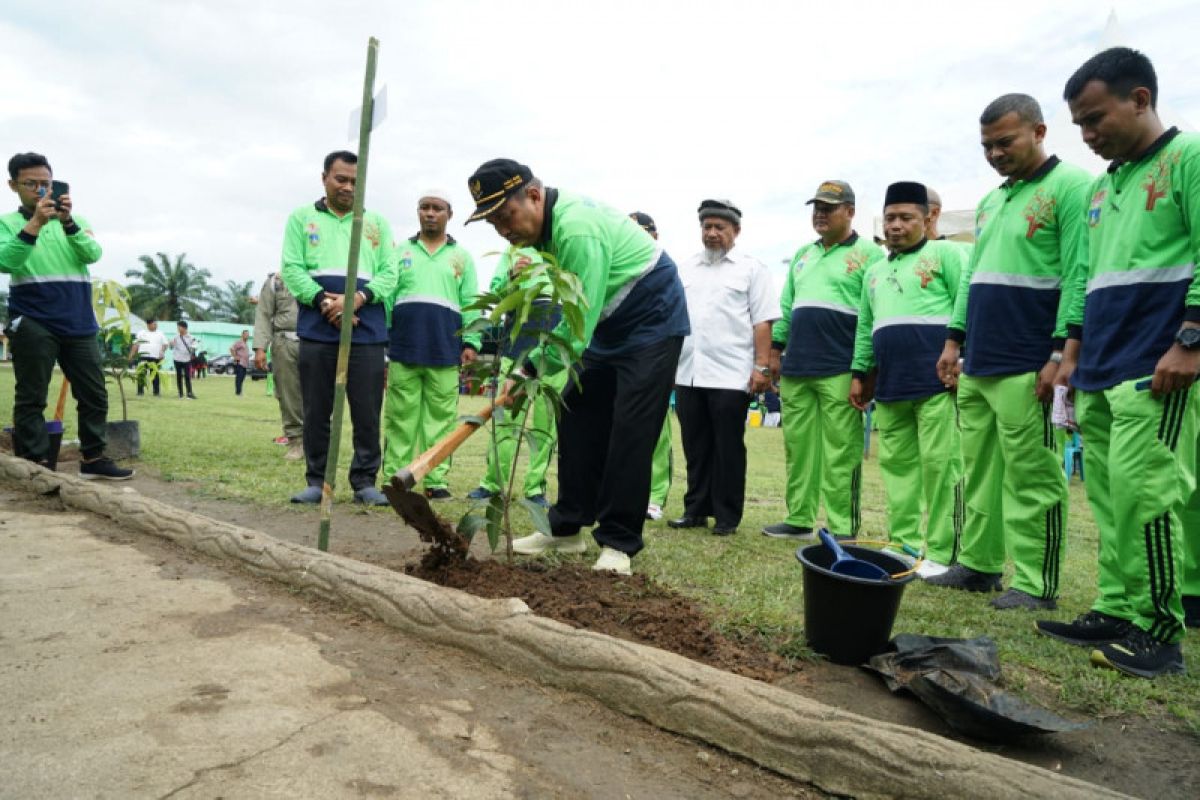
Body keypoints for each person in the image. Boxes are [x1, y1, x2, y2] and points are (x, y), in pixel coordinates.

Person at [1037, 47, 1200, 678]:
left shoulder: (1188, 159)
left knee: (1147, 492)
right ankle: (1115, 607)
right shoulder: (1103, 188)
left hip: (1157, 361)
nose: (1088, 135)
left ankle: (1161, 629)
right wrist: (1070, 355)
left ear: (1140, 99)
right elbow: (1084, 277)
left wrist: (1190, 339)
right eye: (1079, 123)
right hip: (1100, 363)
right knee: (1107, 496)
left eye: (1096, 118)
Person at [465, 158, 690, 575]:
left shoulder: (576, 228)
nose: (502, 230)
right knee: (579, 414)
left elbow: (574, 327)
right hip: (608, 319)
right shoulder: (541, 232)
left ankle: (619, 542)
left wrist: (527, 368)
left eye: (505, 216)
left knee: (631, 427)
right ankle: (566, 528)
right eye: (492, 223)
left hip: (651, 317)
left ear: (533, 196)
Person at [929, 94, 1091, 608]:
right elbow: (973, 277)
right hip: (979, 360)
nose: (995, 153)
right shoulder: (990, 202)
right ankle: (978, 565)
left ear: (1040, 132)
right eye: (987, 145)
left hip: (1029, 361)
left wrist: (1058, 353)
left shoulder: (1073, 187)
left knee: (1033, 474)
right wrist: (954, 340)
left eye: (1005, 141)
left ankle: (1036, 584)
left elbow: (1078, 274)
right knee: (979, 471)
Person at [850, 182, 966, 573]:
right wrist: (860, 374)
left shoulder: (947, 254)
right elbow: (866, 326)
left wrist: (961, 357)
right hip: (891, 385)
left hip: (936, 383)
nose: (896, 226)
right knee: (897, 469)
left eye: (905, 218)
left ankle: (941, 552)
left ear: (928, 218)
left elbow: (966, 308)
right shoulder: (874, 271)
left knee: (940, 466)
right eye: (890, 218)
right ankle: (904, 544)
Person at [764, 181, 885, 540]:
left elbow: (874, 313)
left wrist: (864, 370)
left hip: (840, 366)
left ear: (849, 211)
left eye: (828, 207)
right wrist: (774, 351)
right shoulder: (803, 254)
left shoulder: (871, 255)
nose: (820, 213)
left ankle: (843, 526)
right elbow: (786, 307)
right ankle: (799, 518)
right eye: (816, 207)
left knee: (842, 451)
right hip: (798, 366)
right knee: (798, 447)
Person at [0, 151, 133, 480]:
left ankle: (93, 459)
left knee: (94, 392)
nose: (41, 190)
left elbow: (93, 253)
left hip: (78, 320)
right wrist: (36, 224)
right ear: (13, 185)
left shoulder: (76, 222)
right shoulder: (7, 223)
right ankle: (34, 466)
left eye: (46, 183)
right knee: (32, 394)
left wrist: (68, 222)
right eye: (31, 184)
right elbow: (6, 262)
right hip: (32, 319)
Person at [280, 150, 398, 506]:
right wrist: (324, 302)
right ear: (324, 178)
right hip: (318, 326)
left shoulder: (376, 223)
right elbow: (292, 267)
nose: (348, 187)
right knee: (317, 409)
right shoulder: (302, 218)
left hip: (367, 329)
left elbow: (390, 273)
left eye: (355, 182)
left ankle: (364, 481)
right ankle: (318, 480)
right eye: (341, 179)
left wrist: (357, 299)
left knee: (366, 410)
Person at [668, 199, 775, 536]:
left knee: (728, 446)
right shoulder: (684, 269)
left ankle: (727, 516)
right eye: (707, 227)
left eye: (720, 228)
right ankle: (695, 509)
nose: (712, 233)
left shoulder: (751, 269)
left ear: (736, 231)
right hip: (688, 371)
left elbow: (762, 323)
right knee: (695, 444)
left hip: (732, 373)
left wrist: (762, 368)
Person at [382, 190, 480, 499]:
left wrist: (472, 341)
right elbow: (386, 296)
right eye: (424, 207)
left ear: (449, 214)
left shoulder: (461, 257)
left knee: (440, 421)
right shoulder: (399, 253)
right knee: (400, 419)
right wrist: (385, 333)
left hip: (445, 350)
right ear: (417, 212)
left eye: (437, 208)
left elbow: (472, 303)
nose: (429, 213)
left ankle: (435, 481)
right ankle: (393, 480)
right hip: (404, 347)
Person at [467, 246, 564, 507]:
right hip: (516, 346)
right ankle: (492, 484)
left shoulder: (562, 248)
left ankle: (535, 489)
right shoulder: (513, 251)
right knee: (506, 416)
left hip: (553, 350)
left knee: (546, 422)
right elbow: (497, 293)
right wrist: (512, 275)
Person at [629, 211, 674, 522]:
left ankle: (656, 496)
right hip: (620, 361)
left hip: (655, 361)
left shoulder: (663, 273)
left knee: (657, 433)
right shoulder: (614, 269)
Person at [253, 271, 303, 459]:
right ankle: (296, 442)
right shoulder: (276, 281)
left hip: (317, 342)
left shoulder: (320, 276)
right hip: (284, 341)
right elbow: (263, 315)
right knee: (287, 394)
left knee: (319, 395)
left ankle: (318, 442)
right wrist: (260, 348)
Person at [131, 319, 167, 397]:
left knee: (155, 375)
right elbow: (136, 344)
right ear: (148, 325)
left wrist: (162, 352)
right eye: (154, 324)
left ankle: (156, 392)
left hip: (155, 357)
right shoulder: (141, 333)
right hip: (143, 356)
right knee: (141, 374)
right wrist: (132, 354)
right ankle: (140, 392)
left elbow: (165, 344)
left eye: (156, 324)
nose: (156, 325)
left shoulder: (160, 333)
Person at [168, 321, 198, 399]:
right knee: (179, 376)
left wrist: (193, 348)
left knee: (187, 377)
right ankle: (180, 394)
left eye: (179, 327)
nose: (178, 329)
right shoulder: (176, 337)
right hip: (177, 359)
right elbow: (171, 348)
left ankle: (189, 393)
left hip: (187, 360)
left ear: (184, 328)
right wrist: (171, 344)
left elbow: (195, 346)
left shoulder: (191, 337)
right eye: (177, 327)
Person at [230, 329, 251, 396]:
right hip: (240, 363)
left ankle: (239, 391)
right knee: (239, 377)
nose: (247, 336)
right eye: (246, 334)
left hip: (245, 363)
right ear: (242, 335)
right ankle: (238, 392)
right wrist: (235, 356)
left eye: (248, 334)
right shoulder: (239, 342)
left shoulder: (245, 343)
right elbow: (232, 348)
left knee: (242, 377)